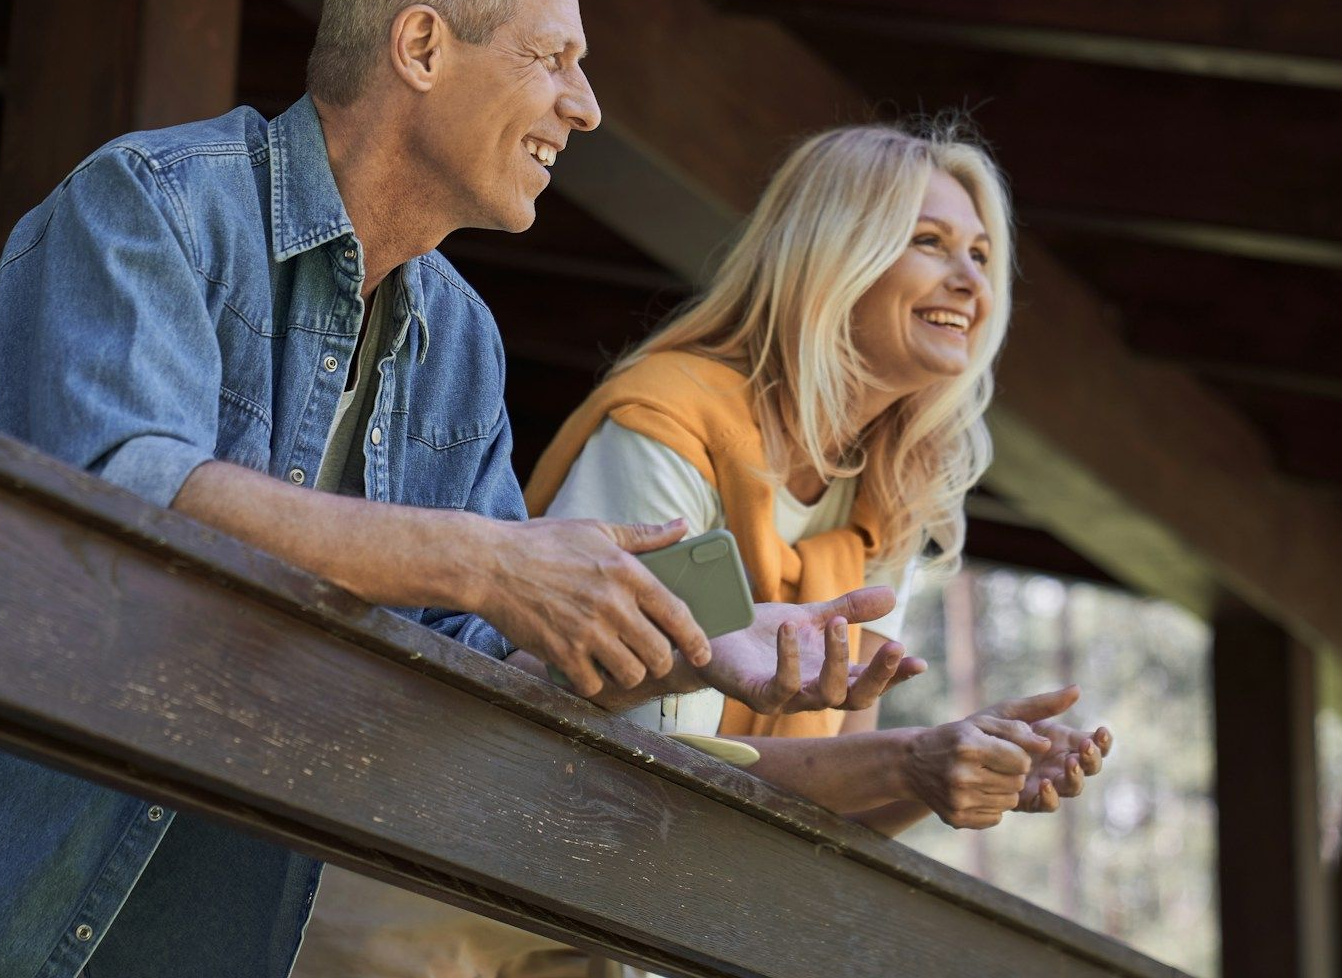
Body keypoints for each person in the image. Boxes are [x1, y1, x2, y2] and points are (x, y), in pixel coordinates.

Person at [0, 0, 912, 978]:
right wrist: (490, 561)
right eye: (552, 58)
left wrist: (692, 643)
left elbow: (478, 667)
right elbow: (129, 492)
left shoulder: (464, 344)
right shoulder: (148, 202)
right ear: (422, 47)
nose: (583, 106)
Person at [290, 120, 1113, 978]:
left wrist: (946, 775)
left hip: (606, 934)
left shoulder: (881, 507)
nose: (969, 279)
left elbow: (835, 819)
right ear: (836, 256)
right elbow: (637, 763)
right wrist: (909, 763)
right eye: (930, 241)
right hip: (437, 908)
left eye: (982, 254)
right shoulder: (670, 433)